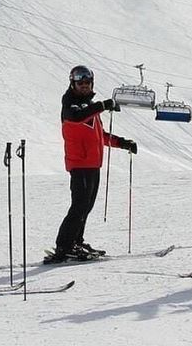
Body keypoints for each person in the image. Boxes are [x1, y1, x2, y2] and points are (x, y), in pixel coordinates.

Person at [46, 65, 138, 263]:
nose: (85, 86)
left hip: (93, 164)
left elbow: (100, 136)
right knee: (79, 206)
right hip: (79, 164)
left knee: (85, 207)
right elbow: (76, 117)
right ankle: (64, 246)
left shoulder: (89, 107)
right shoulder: (70, 105)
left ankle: (76, 242)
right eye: (81, 83)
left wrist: (122, 143)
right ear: (73, 83)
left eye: (88, 83)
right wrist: (102, 105)